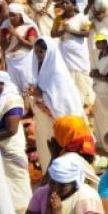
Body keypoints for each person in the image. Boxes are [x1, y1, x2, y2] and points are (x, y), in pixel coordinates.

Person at [29, 37, 84, 172]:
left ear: (49, 52)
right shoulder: (38, 68)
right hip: (44, 119)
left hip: (59, 118)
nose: (38, 55)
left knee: (61, 148)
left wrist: (40, 95)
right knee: (46, 147)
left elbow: (62, 101)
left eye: (41, 52)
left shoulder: (58, 73)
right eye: (36, 52)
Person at [21, 156, 104, 214]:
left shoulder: (87, 196)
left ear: (75, 183)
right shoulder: (42, 193)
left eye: (63, 185)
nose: (55, 189)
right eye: (52, 182)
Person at [0, 70, 32, 214]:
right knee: (4, 176)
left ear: (1, 84)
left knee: (16, 175)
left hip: (10, 143)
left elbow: (11, 130)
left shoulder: (12, 101)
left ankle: (24, 207)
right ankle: (11, 207)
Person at [52, 0, 95, 109]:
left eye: (67, 2)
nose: (64, 5)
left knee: (82, 72)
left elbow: (87, 33)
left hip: (78, 50)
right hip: (64, 49)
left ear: (73, 5)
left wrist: (71, 31)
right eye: (63, 3)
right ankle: (74, 99)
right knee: (67, 73)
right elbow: (52, 34)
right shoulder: (58, 19)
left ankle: (87, 98)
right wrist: (62, 31)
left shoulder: (81, 18)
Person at [49, 115, 100, 189]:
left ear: (62, 136)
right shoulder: (86, 145)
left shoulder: (67, 160)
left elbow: (50, 188)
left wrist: (54, 157)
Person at [0, 3, 38, 93]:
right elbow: (3, 47)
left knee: (27, 85)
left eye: (14, 15)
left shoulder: (29, 27)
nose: (11, 18)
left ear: (20, 15)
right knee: (14, 87)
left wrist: (16, 35)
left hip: (25, 60)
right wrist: (8, 36)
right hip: (11, 60)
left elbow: (30, 45)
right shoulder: (5, 27)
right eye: (10, 15)